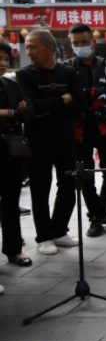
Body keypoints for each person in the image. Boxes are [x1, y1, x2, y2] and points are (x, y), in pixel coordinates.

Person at [16, 29, 86, 255]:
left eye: (32, 47)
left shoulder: (67, 71)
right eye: (27, 47)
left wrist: (47, 107)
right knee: (40, 188)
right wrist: (62, 100)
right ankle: (43, 237)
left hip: (65, 138)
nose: (29, 51)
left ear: (49, 48)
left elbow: (80, 103)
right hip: (37, 139)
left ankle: (59, 230)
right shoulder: (25, 75)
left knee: (68, 185)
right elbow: (31, 108)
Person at [63, 23, 106, 238]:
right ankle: (96, 217)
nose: (80, 46)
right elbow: (71, 101)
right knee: (85, 175)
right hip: (78, 129)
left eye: (84, 42)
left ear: (93, 42)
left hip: (105, 126)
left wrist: (85, 94)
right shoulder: (66, 67)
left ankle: (103, 210)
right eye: (75, 43)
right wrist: (99, 93)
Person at [0, 41, 35, 267]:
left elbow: (28, 111)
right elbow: (19, 112)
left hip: (10, 152)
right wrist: (15, 112)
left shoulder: (10, 85)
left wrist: (9, 112)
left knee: (11, 203)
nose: (3, 64)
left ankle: (14, 249)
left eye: (5, 59)